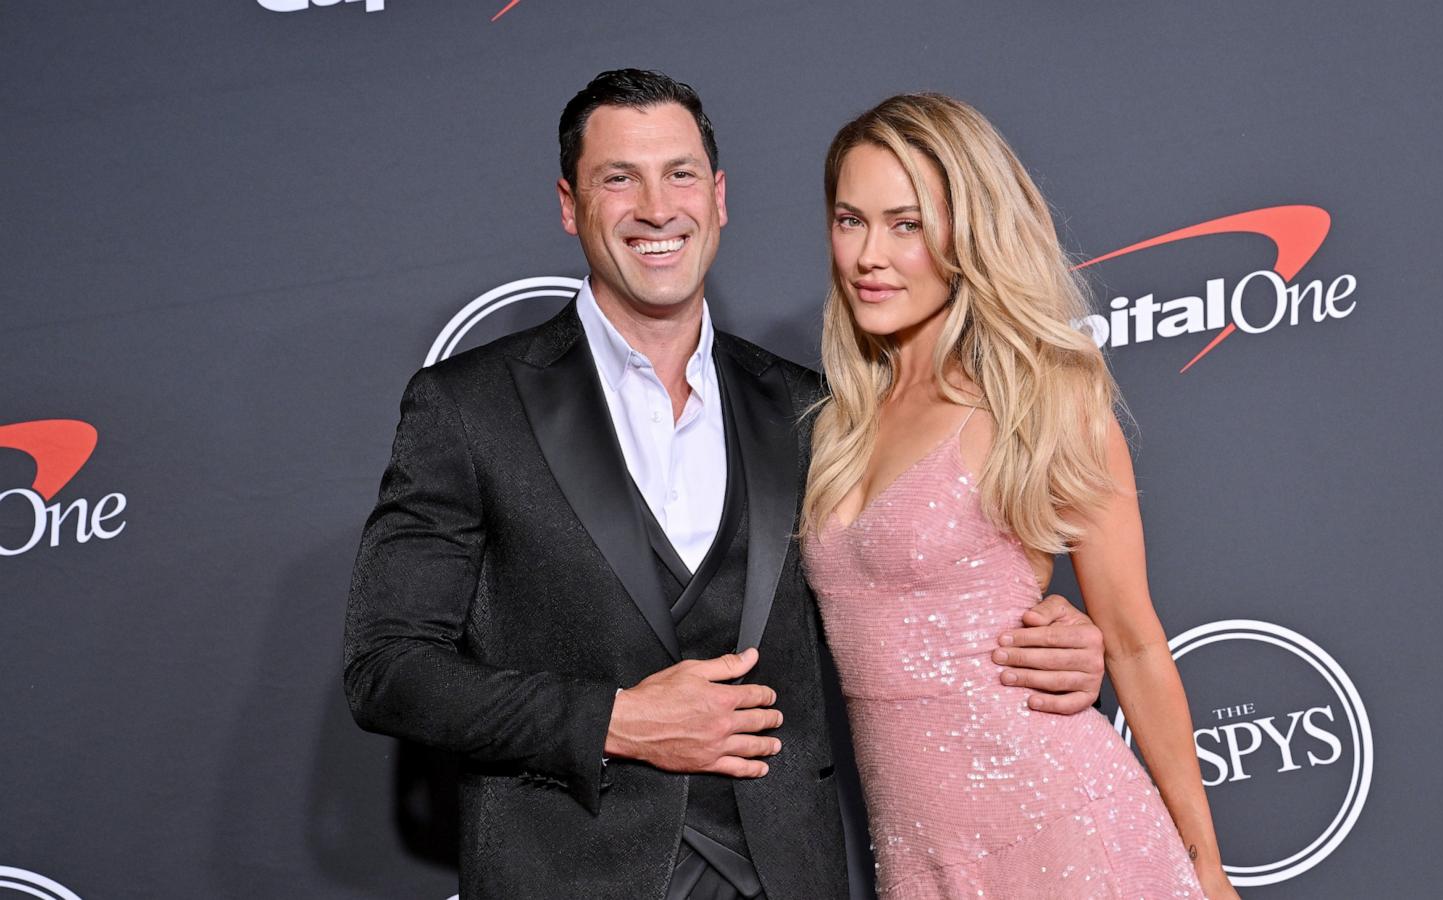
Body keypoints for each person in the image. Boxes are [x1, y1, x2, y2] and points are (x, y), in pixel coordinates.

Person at [344, 70, 1109, 900]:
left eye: (678, 174)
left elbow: (892, 596)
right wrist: (614, 721)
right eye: (617, 179)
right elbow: (387, 669)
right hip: (568, 872)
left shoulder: (817, 408)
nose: (655, 207)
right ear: (569, 206)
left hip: (785, 874)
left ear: (718, 197)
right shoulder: (469, 407)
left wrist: (1044, 638)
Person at [800, 93, 1241, 899]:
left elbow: (1135, 642)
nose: (869, 254)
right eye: (849, 219)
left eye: (906, 224)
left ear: (966, 231)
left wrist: (1206, 867)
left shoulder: (1042, 400)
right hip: (921, 853)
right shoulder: (836, 420)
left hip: (1059, 828)